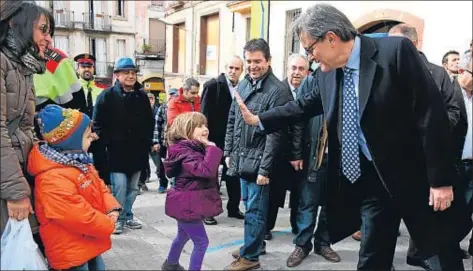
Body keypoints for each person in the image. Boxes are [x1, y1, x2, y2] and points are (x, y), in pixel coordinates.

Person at [233, 3, 470, 270]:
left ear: (331, 38)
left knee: (442, 253)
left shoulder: (395, 53)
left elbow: (431, 114)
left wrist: (440, 181)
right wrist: (260, 119)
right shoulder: (328, 74)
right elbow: (302, 106)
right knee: (371, 259)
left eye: (310, 49)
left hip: (419, 181)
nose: (310, 58)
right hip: (374, 183)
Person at [224, 38, 295, 271]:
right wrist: (228, 152)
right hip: (242, 158)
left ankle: (251, 257)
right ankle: (250, 245)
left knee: (255, 210)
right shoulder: (243, 85)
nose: (253, 66)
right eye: (249, 61)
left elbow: (277, 134)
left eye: (258, 61)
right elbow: (233, 121)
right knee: (249, 208)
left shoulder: (278, 91)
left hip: (260, 163)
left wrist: (266, 169)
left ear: (268, 61)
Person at [28, 105, 121, 270]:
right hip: (69, 250)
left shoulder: (77, 161)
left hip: (88, 238)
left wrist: (111, 207)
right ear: (69, 141)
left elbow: (98, 185)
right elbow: (77, 214)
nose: (93, 137)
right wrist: (108, 224)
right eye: (86, 135)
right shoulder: (51, 178)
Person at [0, 0, 54, 243]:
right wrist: (16, 193)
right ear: (15, 24)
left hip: (16, 173)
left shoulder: (24, 69)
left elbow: (24, 130)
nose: (49, 39)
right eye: (43, 30)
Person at [93, 57, 154, 234]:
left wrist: (147, 142)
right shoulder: (107, 96)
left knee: (134, 188)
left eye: (133, 72)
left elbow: (149, 122)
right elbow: (97, 124)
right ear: (117, 75)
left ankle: (127, 215)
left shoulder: (141, 95)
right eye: (126, 72)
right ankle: (116, 218)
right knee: (119, 187)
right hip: (116, 153)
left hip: (137, 152)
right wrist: (106, 143)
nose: (130, 76)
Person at [161, 112, 223, 271]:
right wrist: (212, 149)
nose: (205, 129)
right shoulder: (187, 153)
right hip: (187, 205)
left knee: (183, 235)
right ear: (186, 130)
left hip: (188, 203)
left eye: (205, 125)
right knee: (202, 242)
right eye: (200, 126)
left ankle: (171, 264)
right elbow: (205, 170)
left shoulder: (191, 148)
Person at [200, 55, 245, 220]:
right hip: (216, 139)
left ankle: (233, 208)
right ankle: (208, 211)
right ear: (226, 68)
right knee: (212, 177)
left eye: (237, 69)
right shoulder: (213, 86)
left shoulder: (244, 87)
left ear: (241, 70)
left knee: (234, 175)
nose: (233, 71)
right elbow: (203, 114)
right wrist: (205, 139)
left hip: (235, 140)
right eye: (231, 68)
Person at [155, 88, 179, 193]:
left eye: (175, 95)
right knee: (162, 165)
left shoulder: (178, 107)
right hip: (163, 142)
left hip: (175, 142)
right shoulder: (162, 108)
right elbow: (157, 125)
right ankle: (162, 184)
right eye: (171, 95)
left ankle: (174, 184)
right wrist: (156, 141)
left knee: (174, 163)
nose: (173, 97)